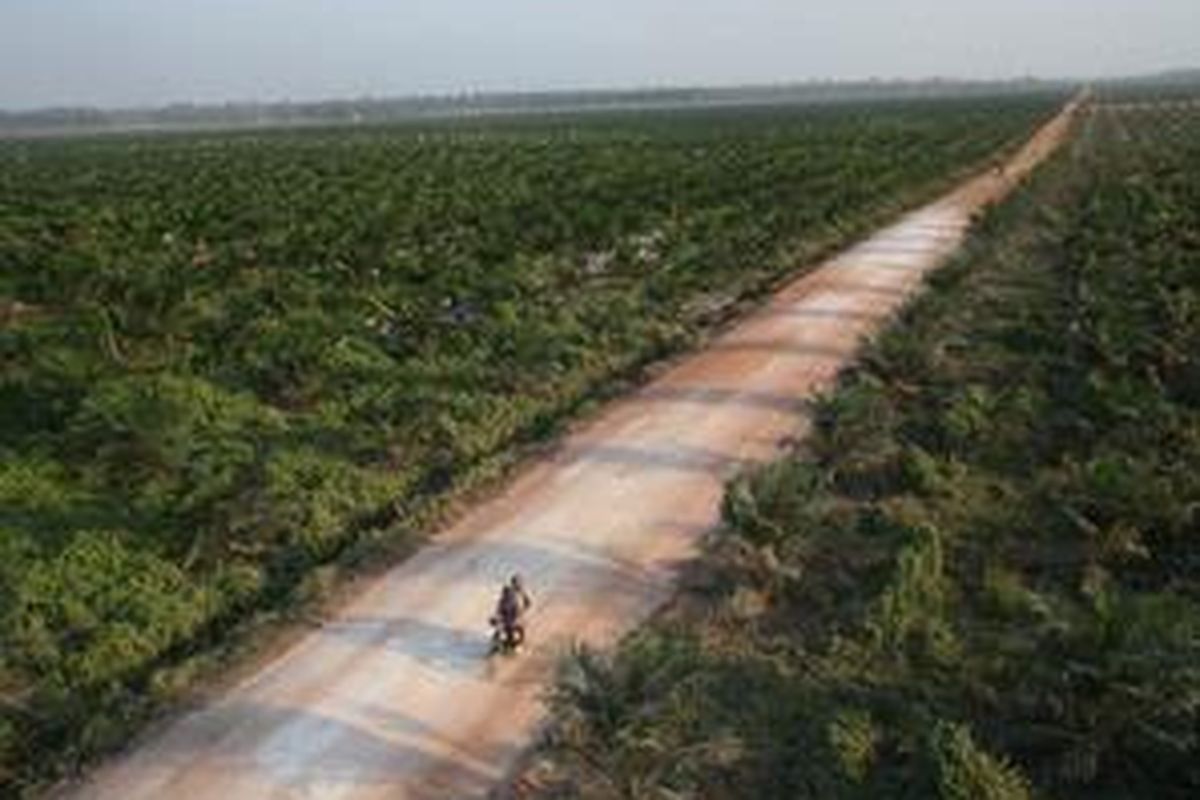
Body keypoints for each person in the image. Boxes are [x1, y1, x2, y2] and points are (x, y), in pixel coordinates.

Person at [492, 574, 533, 649]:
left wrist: (522, 611)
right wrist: (497, 617)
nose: (518, 585)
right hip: (507, 619)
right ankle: (498, 645)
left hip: (514, 618)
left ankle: (516, 644)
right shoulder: (507, 594)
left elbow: (528, 603)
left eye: (519, 583)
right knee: (502, 630)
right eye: (516, 582)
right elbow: (499, 609)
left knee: (518, 629)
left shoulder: (520, 593)